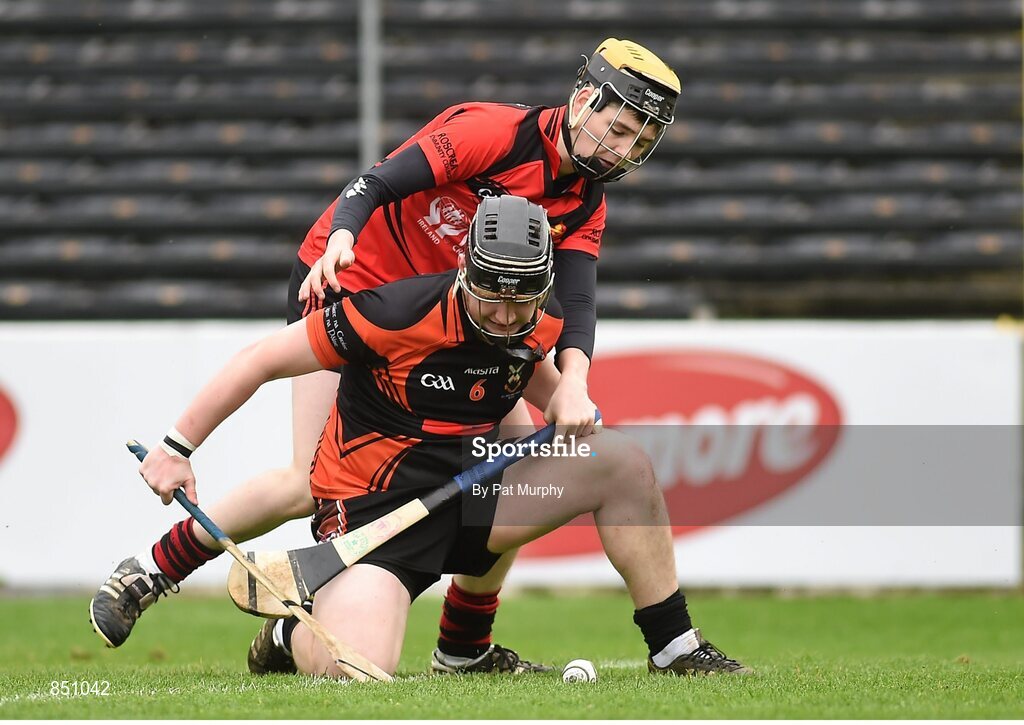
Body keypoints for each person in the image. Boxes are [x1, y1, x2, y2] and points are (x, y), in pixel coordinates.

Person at [90, 38, 682, 673]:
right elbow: (375, 182)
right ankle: (150, 570)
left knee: (515, 452)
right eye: (621, 130)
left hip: (460, 312)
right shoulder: (492, 133)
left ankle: (464, 646)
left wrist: (574, 382)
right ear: (584, 99)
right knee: (305, 482)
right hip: (350, 285)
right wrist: (342, 237)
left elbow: (579, 300)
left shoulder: (585, 199)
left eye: (640, 143)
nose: (623, 151)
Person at [134, 196, 750, 678]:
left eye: (523, 302)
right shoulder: (392, 314)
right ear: (464, 272)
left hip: (473, 498)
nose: (506, 317)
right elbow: (261, 360)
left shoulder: (538, 323)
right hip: (375, 515)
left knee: (622, 463)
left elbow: (530, 377)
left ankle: (672, 646)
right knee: (359, 670)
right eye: (492, 298)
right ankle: (289, 635)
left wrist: (568, 394)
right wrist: (178, 447)